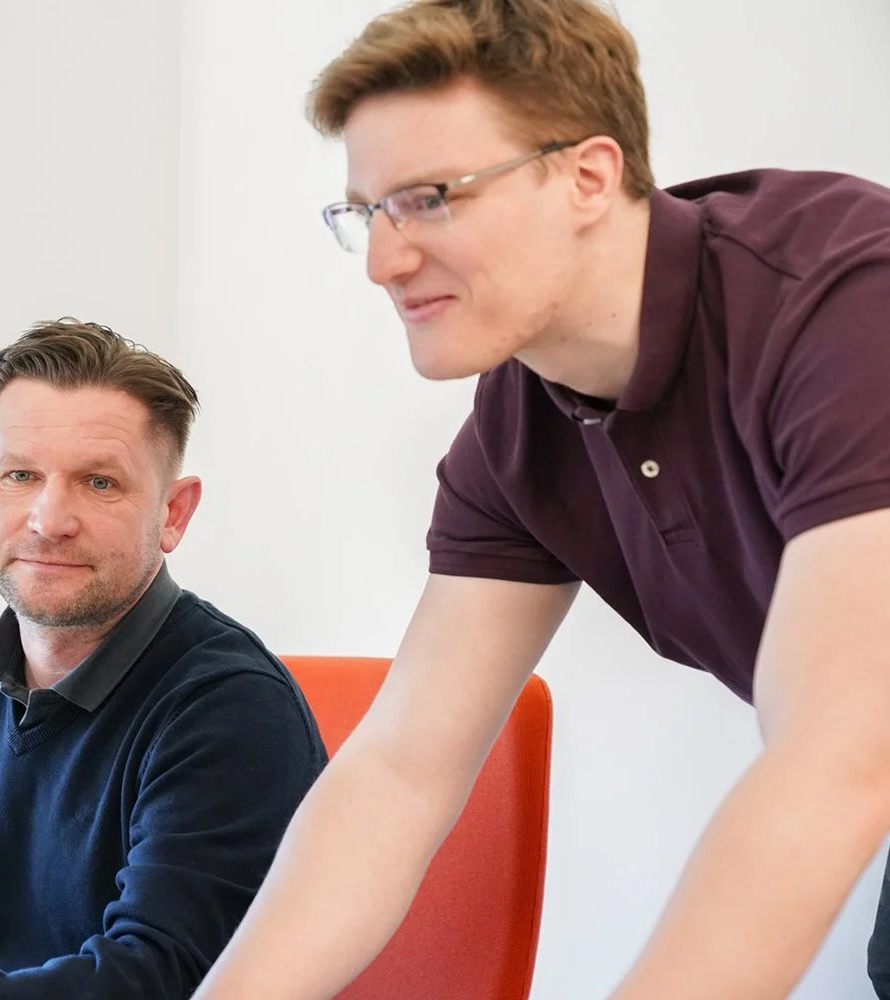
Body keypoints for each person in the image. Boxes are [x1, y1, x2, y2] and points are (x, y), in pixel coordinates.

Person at [190, 1, 890, 998]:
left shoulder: (843, 301)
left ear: (588, 176)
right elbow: (399, 775)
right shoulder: (519, 431)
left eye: (430, 197)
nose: (386, 261)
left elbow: (840, 747)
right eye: (367, 212)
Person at [0, 318, 326, 999]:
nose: (50, 520)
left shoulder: (234, 710)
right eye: (20, 475)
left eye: (100, 483)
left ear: (174, 512)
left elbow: (156, 979)